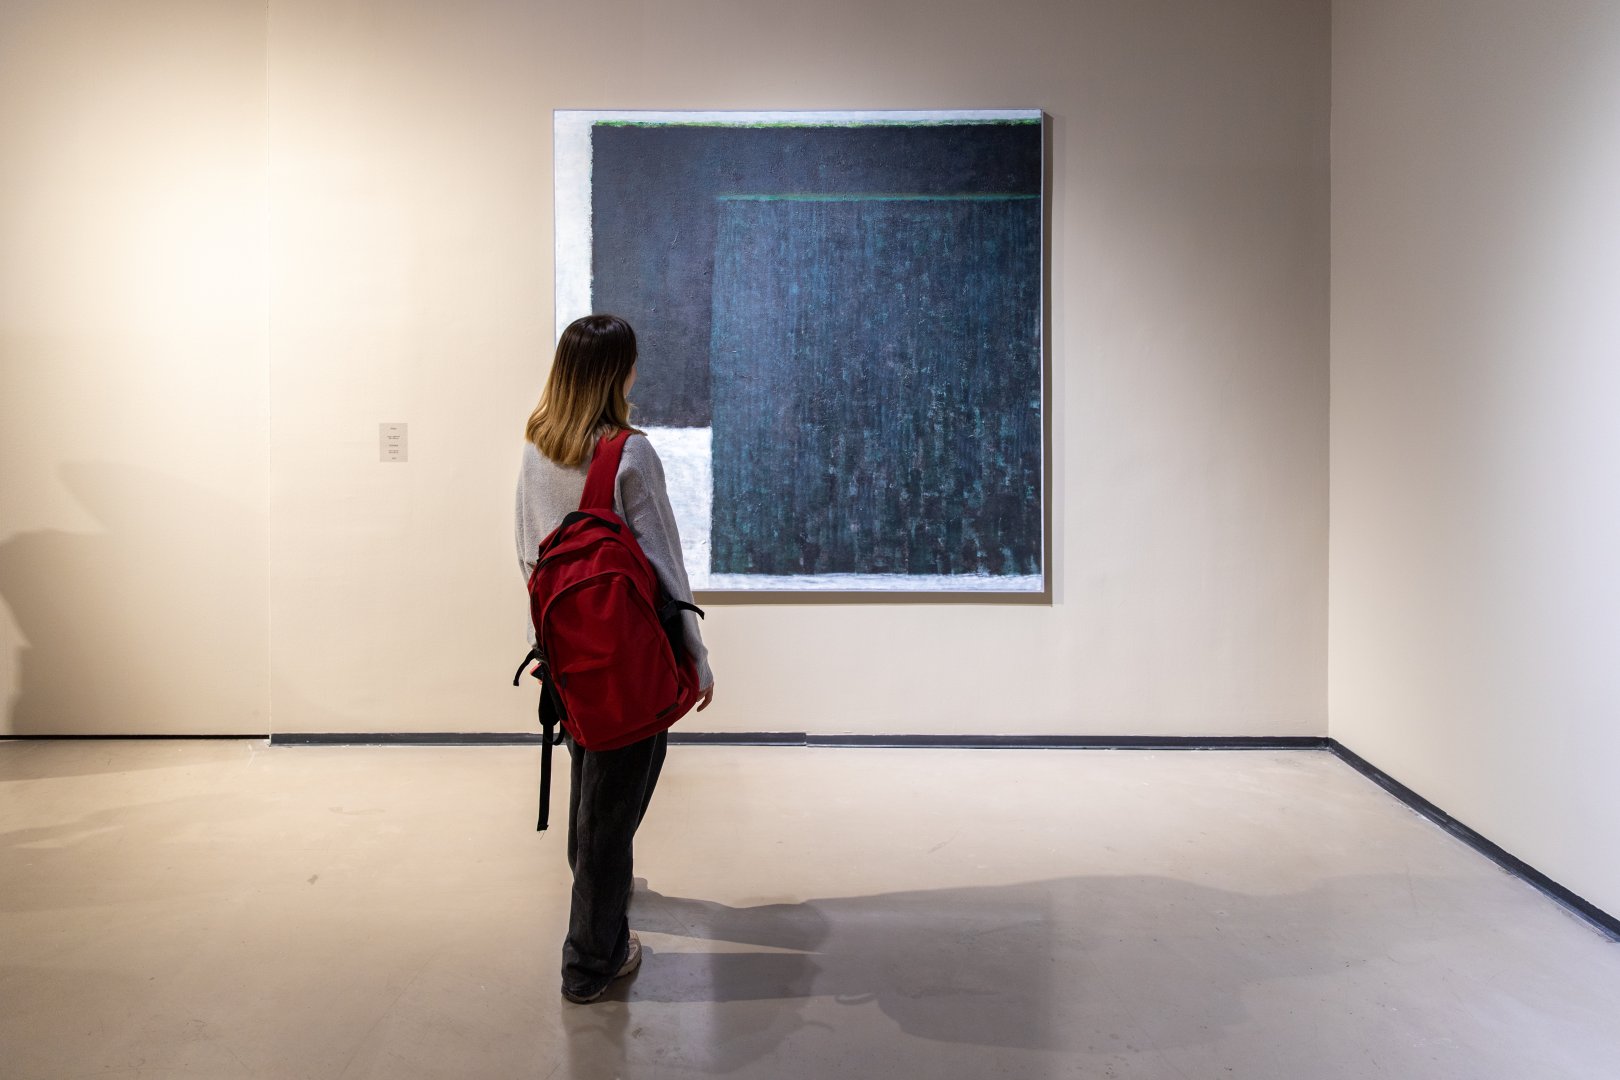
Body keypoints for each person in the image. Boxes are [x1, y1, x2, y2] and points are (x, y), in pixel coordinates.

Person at [514, 313, 715, 1004]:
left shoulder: (538, 446)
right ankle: (591, 961)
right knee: (611, 809)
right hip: (627, 659)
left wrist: (552, 643)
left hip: (566, 654)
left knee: (592, 783)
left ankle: (601, 892)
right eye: (631, 362)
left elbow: (529, 554)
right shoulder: (629, 453)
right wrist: (697, 655)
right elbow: (665, 565)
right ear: (617, 373)